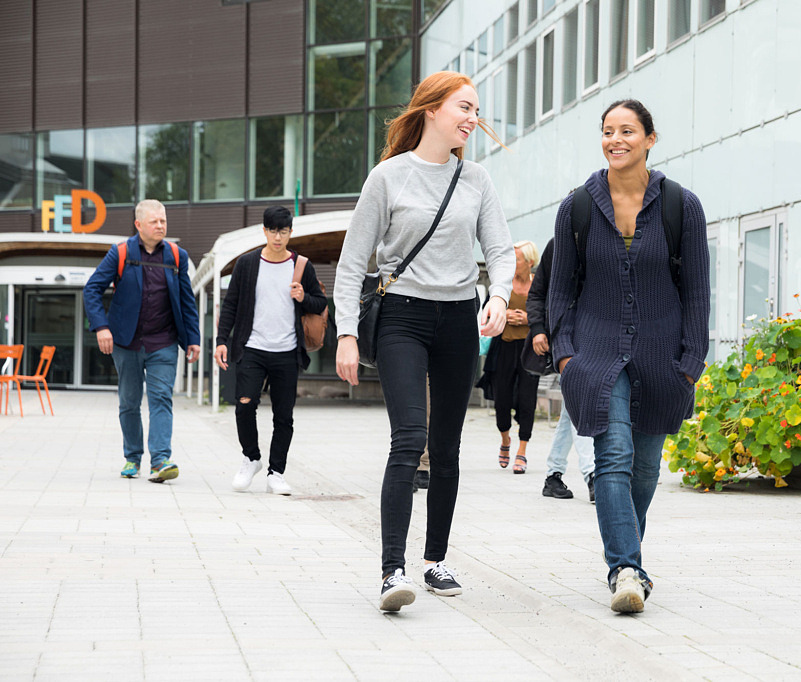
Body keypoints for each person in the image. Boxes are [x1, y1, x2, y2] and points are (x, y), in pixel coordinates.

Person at [334, 71, 514, 612]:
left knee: (448, 445)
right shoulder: (387, 177)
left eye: (477, 110)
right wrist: (346, 333)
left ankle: (435, 560)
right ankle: (393, 571)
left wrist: (499, 297)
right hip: (403, 317)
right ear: (431, 109)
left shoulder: (476, 179)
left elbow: (501, 250)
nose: (472, 118)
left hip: (459, 316)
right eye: (464, 107)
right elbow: (351, 263)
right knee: (409, 437)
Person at [547, 100, 709, 613]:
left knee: (646, 468)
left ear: (650, 139)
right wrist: (566, 355)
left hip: (663, 356)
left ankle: (627, 560)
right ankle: (625, 568)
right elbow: (560, 292)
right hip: (594, 353)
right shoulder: (576, 207)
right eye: (607, 131)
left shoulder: (681, 206)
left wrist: (690, 362)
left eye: (627, 131)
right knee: (613, 455)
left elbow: (698, 292)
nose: (616, 140)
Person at [83, 199, 201, 483]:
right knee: (129, 401)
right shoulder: (120, 253)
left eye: (163, 221)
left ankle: (160, 460)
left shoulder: (176, 255)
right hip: (127, 342)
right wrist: (101, 327)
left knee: (162, 397)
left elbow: (187, 300)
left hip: (164, 341)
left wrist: (193, 338)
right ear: (138, 225)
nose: (161, 226)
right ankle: (132, 458)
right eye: (154, 222)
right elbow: (92, 289)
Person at [214, 206, 328, 496]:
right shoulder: (247, 264)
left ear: (290, 232)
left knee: (283, 416)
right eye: (273, 230)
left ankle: (276, 472)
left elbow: (320, 304)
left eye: (284, 231)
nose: (278, 237)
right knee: (244, 405)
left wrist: (304, 297)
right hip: (252, 347)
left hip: (287, 351)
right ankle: (251, 457)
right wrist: (220, 340)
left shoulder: (302, 266)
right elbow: (230, 305)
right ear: (264, 231)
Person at [526, 238, 596, 501]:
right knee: (580, 403)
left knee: (571, 409)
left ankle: (553, 476)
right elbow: (537, 293)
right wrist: (538, 330)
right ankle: (593, 475)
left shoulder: (603, 241)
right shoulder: (557, 246)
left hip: (595, 338)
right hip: (564, 340)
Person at [493, 240, 540, 474]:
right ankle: (505, 440)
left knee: (527, 400)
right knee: (501, 399)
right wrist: (504, 312)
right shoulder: (503, 284)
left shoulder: (538, 286)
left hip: (530, 351)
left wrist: (528, 320)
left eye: (517, 259)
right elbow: (488, 309)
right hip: (505, 348)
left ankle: (522, 451)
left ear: (529, 262)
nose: (513, 262)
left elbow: (547, 314)